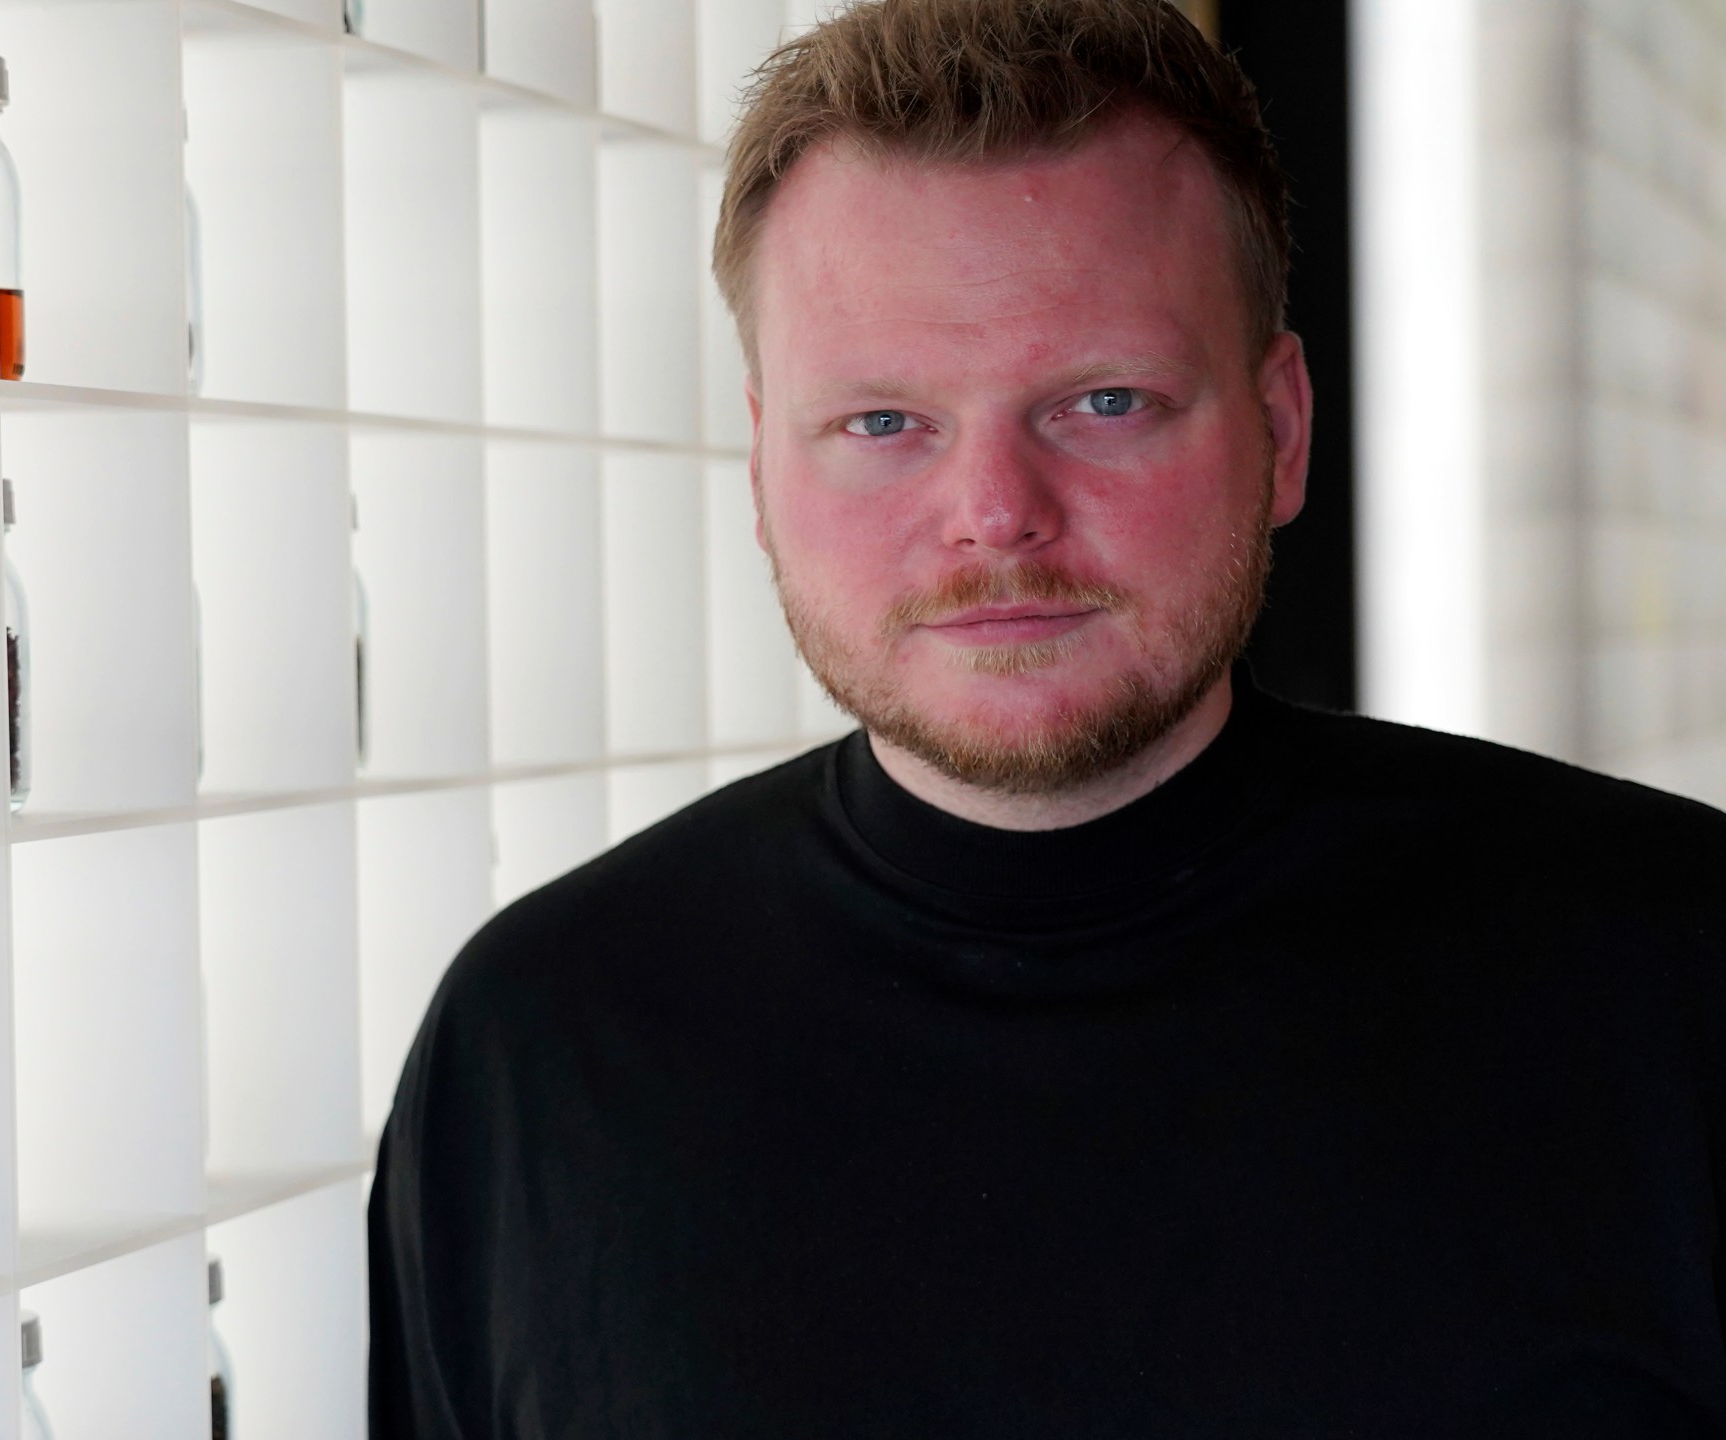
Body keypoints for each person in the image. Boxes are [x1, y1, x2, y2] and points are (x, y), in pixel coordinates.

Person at [366, 0, 1726, 1434]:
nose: (996, 517)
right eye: (886, 423)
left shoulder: (1675, 974)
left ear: (1284, 429)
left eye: (1106, 400)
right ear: (764, 464)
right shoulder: (538, 1054)